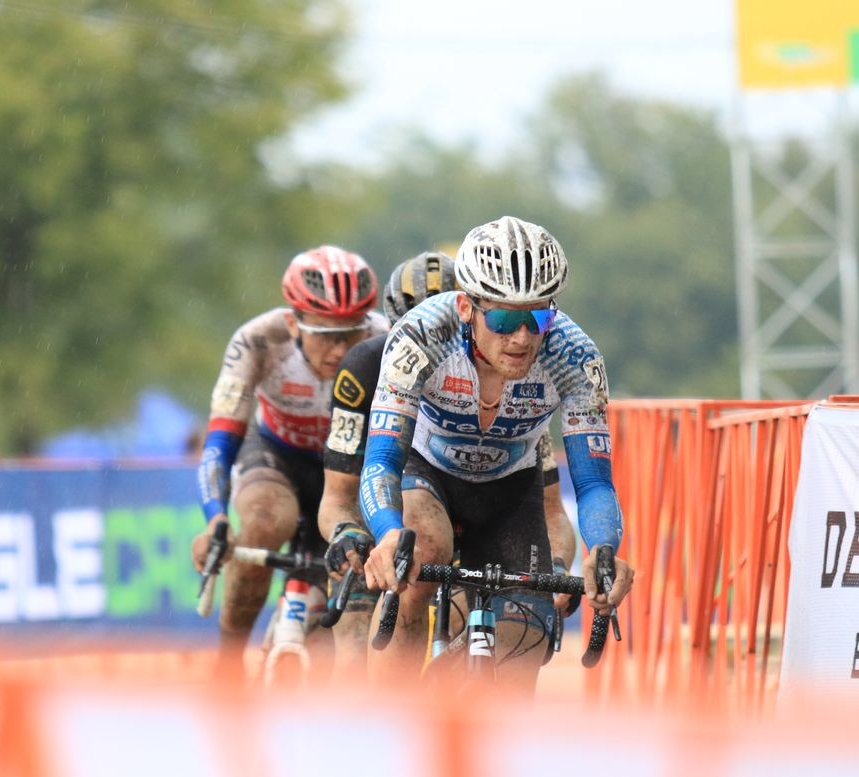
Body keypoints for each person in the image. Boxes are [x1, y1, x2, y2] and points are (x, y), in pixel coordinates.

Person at [357, 216, 635, 687]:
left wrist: (603, 550)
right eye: (504, 319)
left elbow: (592, 483)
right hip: (427, 473)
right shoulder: (421, 337)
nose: (523, 337)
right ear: (466, 306)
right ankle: (388, 724)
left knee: (525, 636)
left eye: (538, 317)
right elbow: (381, 460)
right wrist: (387, 534)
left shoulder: (574, 356)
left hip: (510, 488)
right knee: (419, 558)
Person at [319, 250, 580, 680]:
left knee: (504, 619)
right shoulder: (367, 367)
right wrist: (348, 533)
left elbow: (551, 509)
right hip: (398, 491)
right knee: (369, 622)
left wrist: (556, 567)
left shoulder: (518, 378)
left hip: (494, 501)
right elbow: (341, 493)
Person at [190, 245, 388, 679]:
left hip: (348, 469)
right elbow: (219, 442)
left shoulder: (386, 340)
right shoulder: (259, 340)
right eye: (325, 332)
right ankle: (227, 666)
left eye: (351, 333)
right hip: (277, 454)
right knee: (263, 520)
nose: (340, 350)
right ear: (293, 323)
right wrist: (214, 518)